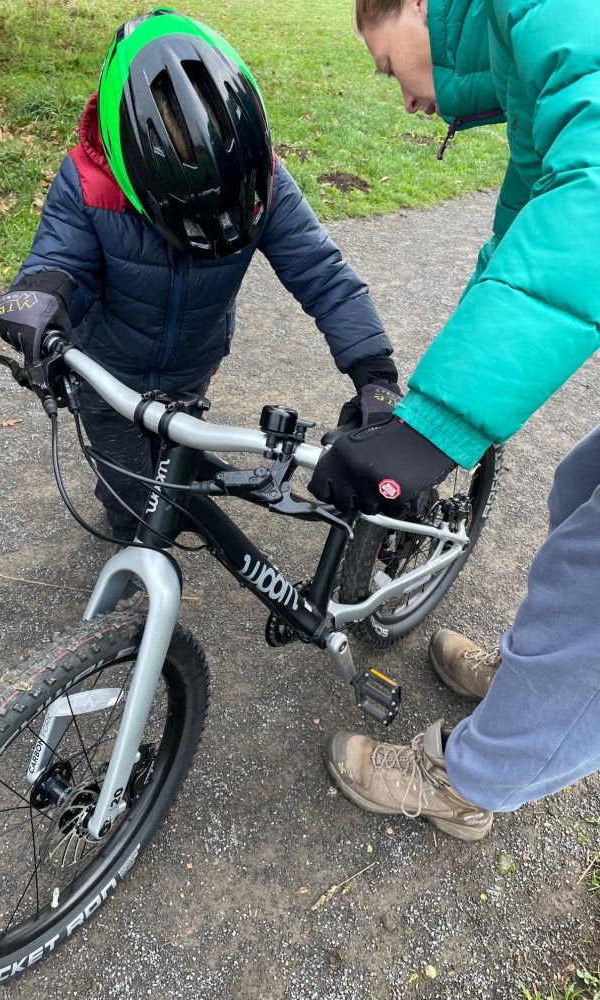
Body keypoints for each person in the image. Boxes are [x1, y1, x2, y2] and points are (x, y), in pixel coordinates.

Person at [0, 6, 398, 610]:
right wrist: (41, 302)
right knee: (123, 487)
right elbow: (58, 261)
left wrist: (374, 371)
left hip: (192, 361)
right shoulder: (88, 182)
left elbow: (322, 274)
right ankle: (137, 547)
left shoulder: (262, 180)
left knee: (172, 459)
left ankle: (167, 504)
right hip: (107, 368)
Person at [310, 0, 600, 841]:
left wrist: (437, 428)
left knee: (593, 580)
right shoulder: (524, 45)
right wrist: (444, 402)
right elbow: (526, 243)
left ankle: (468, 782)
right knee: (581, 484)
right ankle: (529, 685)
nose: (398, 94)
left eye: (383, 62)